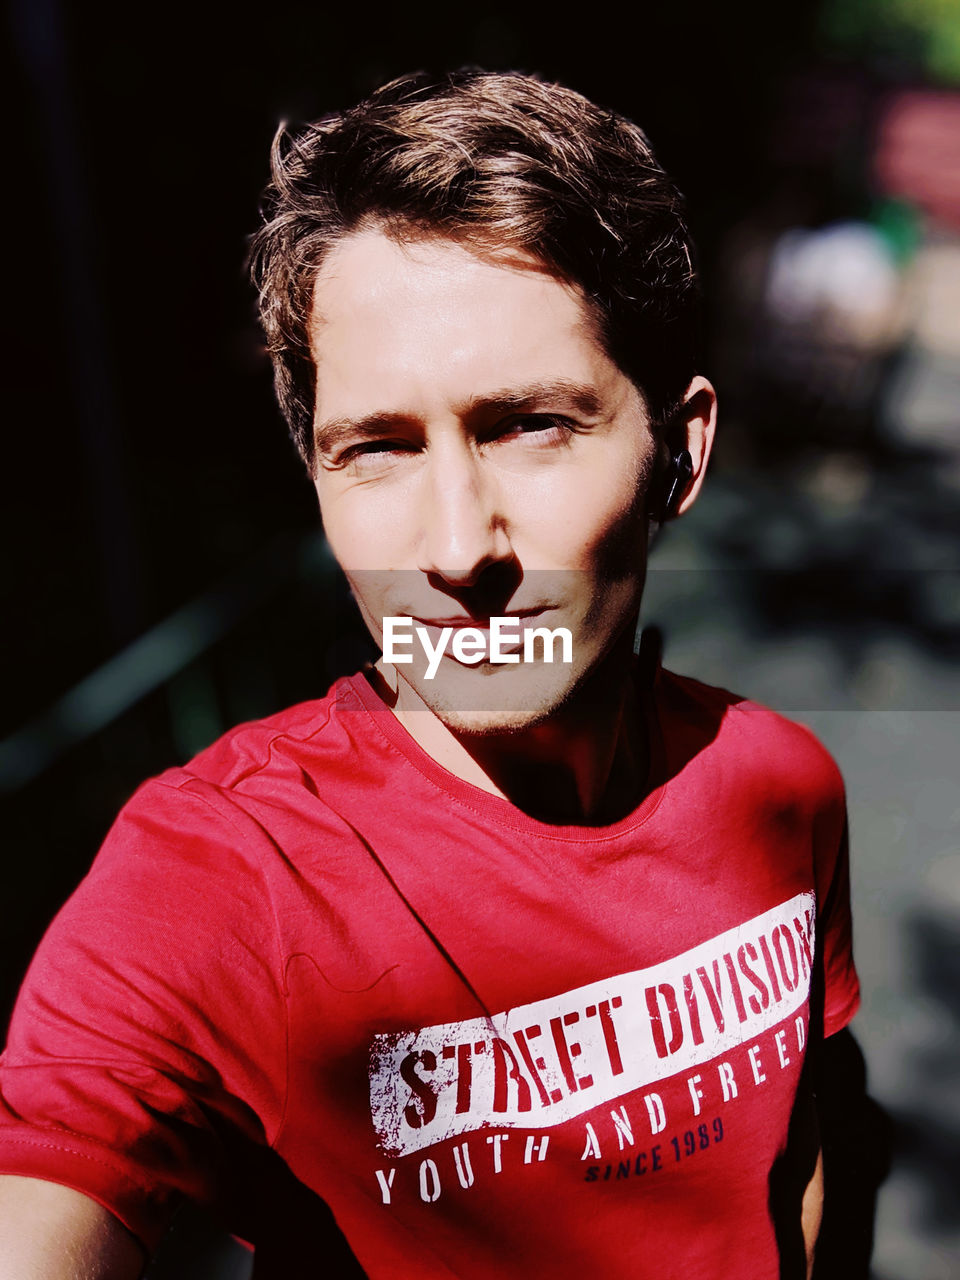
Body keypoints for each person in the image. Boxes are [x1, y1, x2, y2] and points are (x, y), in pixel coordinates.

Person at [0, 69, 859, 1278]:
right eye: (379, 450)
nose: (457, 550)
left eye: (529, 424)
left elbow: (811, 1137)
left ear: (681, 448)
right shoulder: (223, 879)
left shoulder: (782, 788)